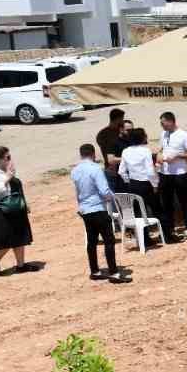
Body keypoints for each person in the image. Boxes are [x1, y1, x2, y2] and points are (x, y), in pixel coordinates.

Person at [71, 143, 125, 282]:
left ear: (81, 154)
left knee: (92, 241)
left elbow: (78, 192)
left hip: (85, 209)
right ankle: (113, 273)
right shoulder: (95, 169)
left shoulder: (75, 170)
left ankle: (94, 270)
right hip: (97, 208)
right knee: (109, 240)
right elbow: (104, 191)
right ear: (93, 154)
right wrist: (113, 198)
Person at [0, 146, 34, 276]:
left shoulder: (4, 170)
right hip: (0, 210)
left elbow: (15, 189)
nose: (10, 159)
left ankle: (21, 265)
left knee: (19, 237)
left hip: (15, 208)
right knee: (5, 241)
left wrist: (24, 203)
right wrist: (8, 177)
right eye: (7, 157)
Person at [119, 127, 166, 244]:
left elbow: (121, 171)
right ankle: (166, 235)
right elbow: (150, 171)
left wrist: (128, 181)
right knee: (158, 210)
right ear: (142, 138)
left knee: (139, 213)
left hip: (133, 184)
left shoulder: (125, 151)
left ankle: (144, 239)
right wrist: (155, 184)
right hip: (146, 184)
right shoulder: (145, 151)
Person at [156, 111, 187, 240]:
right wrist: (159, 156)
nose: (162, 126)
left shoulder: (184, 135)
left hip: (179, 172)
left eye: (163, 123)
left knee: (183, 199)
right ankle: (169, 228)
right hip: (165, 172)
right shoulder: (163, 134)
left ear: (171, 121)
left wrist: (177, 156)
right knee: (166, 202)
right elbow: (161, 149)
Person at [96, 108, 128, 192]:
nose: (123, 121)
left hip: (112, 169)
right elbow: (109, 155)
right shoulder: (115, 134)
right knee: (117, 196)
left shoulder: (101, 133)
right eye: (122, 119)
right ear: (118, 119)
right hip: (114, 170)